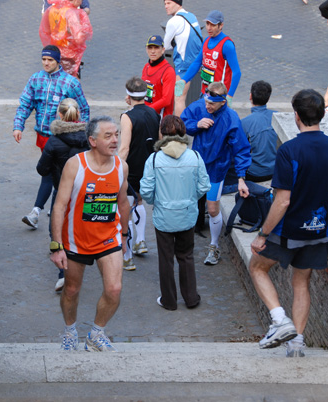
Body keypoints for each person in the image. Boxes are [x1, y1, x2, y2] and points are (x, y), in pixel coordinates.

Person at [249, 89, 328, 357]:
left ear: (296, 116)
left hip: (288, 231)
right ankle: (297, 345)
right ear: (320, 116)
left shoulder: (289, 150)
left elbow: (282, 201)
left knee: (258, 267)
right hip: (317, 232)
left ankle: (280, 320)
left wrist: (263, 234)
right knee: (301, 283)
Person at [50, 116, 130, 352]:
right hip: (76, 241)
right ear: (93, 141)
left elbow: (123, 203)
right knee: (72, 290)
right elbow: (59, 205)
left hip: (109, 238)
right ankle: (69, 331)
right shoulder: (76, 165)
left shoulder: (121, 167)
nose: (115, 140)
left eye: (116, 134)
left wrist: (124, 236)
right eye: (108, 136)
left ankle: (96, 333)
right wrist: (56, 245)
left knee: (114, 288)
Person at [13, 45, 90, 230]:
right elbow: (25, 104)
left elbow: (84, 110)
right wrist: (18, 126)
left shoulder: (70, 83)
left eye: (50, 60)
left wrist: (83, 135)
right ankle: (58, 204)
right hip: (43, 136)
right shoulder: (36, 79)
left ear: (58, 61)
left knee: (49, 173)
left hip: (64, 138)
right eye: (44, 59)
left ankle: (36, 212)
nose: (46, 63)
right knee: (58, 174)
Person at [140, 115, 210, 310]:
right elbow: (204, 185)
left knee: (166, 259)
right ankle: (191, 298)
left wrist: (158, 202)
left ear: (162, 133)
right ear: (183, 133)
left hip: (164, 216)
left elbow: (146, 190)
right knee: (186, 256)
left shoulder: (154, 159)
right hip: (187, 215)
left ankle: (169, 300)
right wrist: (190, 199)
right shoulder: (195, 157)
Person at [181, 81, 251, 265]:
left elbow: (241, 150)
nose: (207, 106)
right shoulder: (199, 106)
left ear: (222, 102)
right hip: (196, 166)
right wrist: (197, 124)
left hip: (216, 169)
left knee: (212, 209)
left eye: (211, 104)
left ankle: (214, 246)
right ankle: (183, 243)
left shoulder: (231, 118)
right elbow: (182, 123)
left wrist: (241, 178)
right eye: (206, 101)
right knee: (189, 206)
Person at [36, 98, 89, 292]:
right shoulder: (89, 140)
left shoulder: (54, 141)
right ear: (79, 115)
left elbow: (41, 169)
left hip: (61, 193)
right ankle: (77, 266)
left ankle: (63, 274)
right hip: (83, 192)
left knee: (57, 230)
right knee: (78, 231)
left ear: (59, 115)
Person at [119, 77, 160, 270]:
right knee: (139, 202)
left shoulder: (127, 117)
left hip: (132, 168)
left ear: (128, 96)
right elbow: (160, 142)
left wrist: (116, 167)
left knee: (125, 207)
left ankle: (127, 256)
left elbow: (124, 148)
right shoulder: (154, 113)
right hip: (149, 166)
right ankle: (141, 241)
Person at [175, 10, 242, 107]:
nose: (209, 28)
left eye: (213, 25)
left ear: (221, 25)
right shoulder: (206, 41)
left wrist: (230, 95)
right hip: (204, 93)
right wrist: (184, 80)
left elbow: (237, 72)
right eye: (207, 24)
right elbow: (197, 63)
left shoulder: (227, 45)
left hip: (218, 97)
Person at [223, 80, 278, 194]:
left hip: (254, 173)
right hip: (274, 170)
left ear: (250, 96)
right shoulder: (277, 116)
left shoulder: (244, 123)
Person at [162, 0, 203, 116]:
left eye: (169, 3)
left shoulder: (173, 21)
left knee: (179, 98)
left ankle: (181, 130)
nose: (166, 6)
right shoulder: (191, 16)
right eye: (165, 4)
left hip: (183, 65)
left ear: (177, 3)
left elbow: (166, 46)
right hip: (197, 62)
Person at [39, 0, 93, 78]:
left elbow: (45, 30)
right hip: (70, 51)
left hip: (55, 48)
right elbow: (79, 38)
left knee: (56, 76)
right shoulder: (72, 13)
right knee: (73, 78)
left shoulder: (51, 9)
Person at [141, 35, 176, 117]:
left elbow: (166, 100)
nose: (153, 51)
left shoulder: (168, 71)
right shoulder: (146, 67)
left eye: (156, 48)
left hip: (159, 118)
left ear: (163, 50)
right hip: (145, 114)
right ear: (146, 50)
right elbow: (142, 89)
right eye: (150, 48)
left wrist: (148, 110)